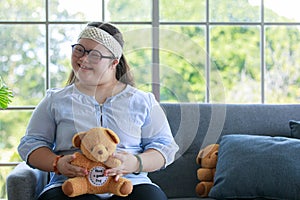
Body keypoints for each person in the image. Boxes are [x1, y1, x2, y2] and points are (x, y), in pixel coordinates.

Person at [18, 22, 179, 200]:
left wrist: (135, 163)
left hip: (130, 184)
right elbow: (31, 145)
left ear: (114, 62)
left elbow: (165, 148)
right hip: (71, 185)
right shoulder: (55, 100)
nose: (83, 59)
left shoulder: (142, 101)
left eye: (94, 55)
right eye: (79, 50)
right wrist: (58, 163)